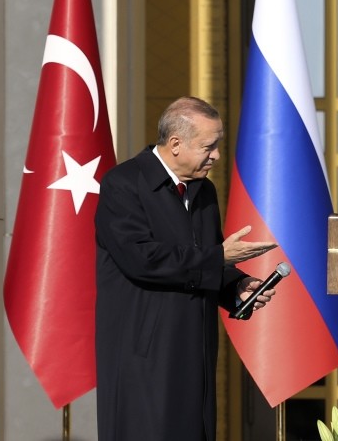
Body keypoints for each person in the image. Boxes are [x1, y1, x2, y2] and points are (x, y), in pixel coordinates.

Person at [95, 96, 277, 441]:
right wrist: (219, 259)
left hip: (196, 350)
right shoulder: (123, 184)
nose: (217, 156)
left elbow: (204, 256)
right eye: (209, 146)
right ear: (175, 144)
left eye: (218, 145)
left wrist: (237, 286)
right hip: (145, 357)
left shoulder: (203, 191)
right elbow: (143, 260)